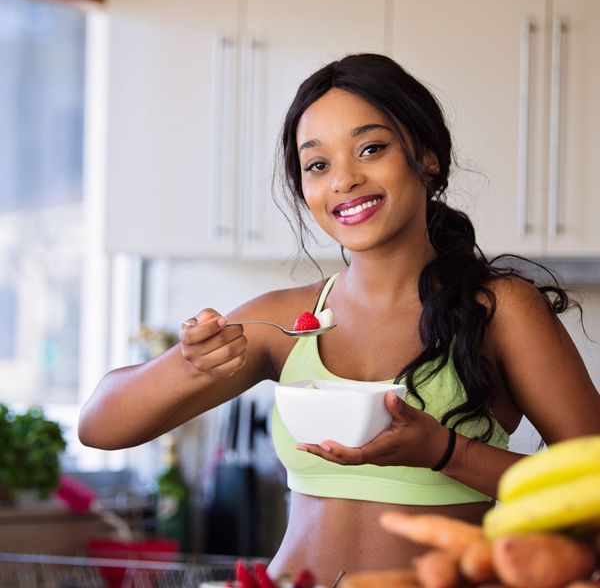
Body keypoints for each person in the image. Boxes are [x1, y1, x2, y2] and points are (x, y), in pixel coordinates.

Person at [79, 53, 600, 586]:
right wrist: (189, 366)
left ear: (426, 156)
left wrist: (445, 451)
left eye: (371, 149)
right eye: (317, 165)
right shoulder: (286, 320)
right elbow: (100, 426)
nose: (344, 180)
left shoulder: (499, 310)